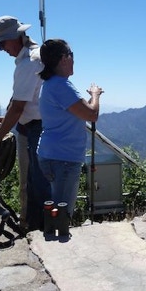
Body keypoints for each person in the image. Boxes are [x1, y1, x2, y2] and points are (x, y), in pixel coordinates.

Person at [0, 15, 52, 231]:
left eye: (2, 43)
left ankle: (38, 231)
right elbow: (21, 98)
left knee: (36, 185)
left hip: (36, 128)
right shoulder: (32, 57)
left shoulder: (29, 62)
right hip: (33, 126)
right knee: (32, 183)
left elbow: (18, 107)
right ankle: (33, 226)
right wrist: (8, 119)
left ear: (15, 37)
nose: (1, 49)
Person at [37, 39, 104, 220]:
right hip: (63, 158)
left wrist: (90, 101)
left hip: (52, 154)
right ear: (64, 58)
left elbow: (79, 112)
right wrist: (96, 95)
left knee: (55, 207)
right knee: (62, 213)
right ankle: (57, 236)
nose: (74, 60)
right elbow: (92, 115)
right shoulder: (61, 85)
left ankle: (52, 233)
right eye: (72, 55)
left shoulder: (50, 84)